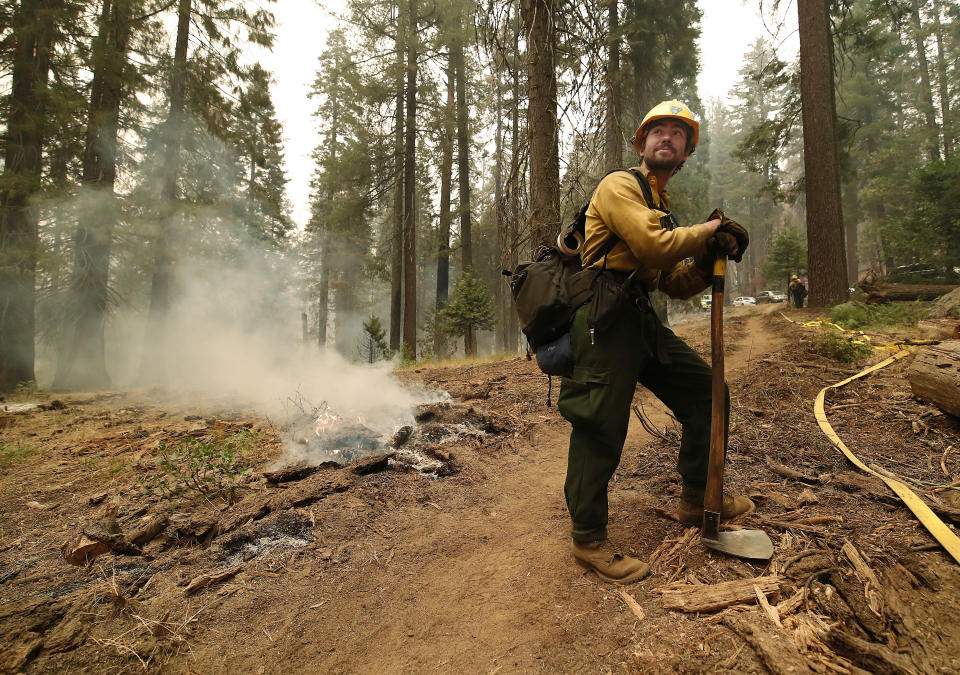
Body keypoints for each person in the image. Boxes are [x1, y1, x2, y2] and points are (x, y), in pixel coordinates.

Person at [558, 101, 754, 585]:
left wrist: (710, 254)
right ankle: (588, 539)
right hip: (602, 317)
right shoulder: (620, 186)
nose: (667, 137)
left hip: (638, 316)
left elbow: (673, 281)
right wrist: (708, 231)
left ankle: (698, 498)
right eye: (657, 131)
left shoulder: (660, 207)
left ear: (686, 151)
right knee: (599, 423)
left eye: (678, 133)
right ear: (641, 144)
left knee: (707, 391)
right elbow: (653, 247)